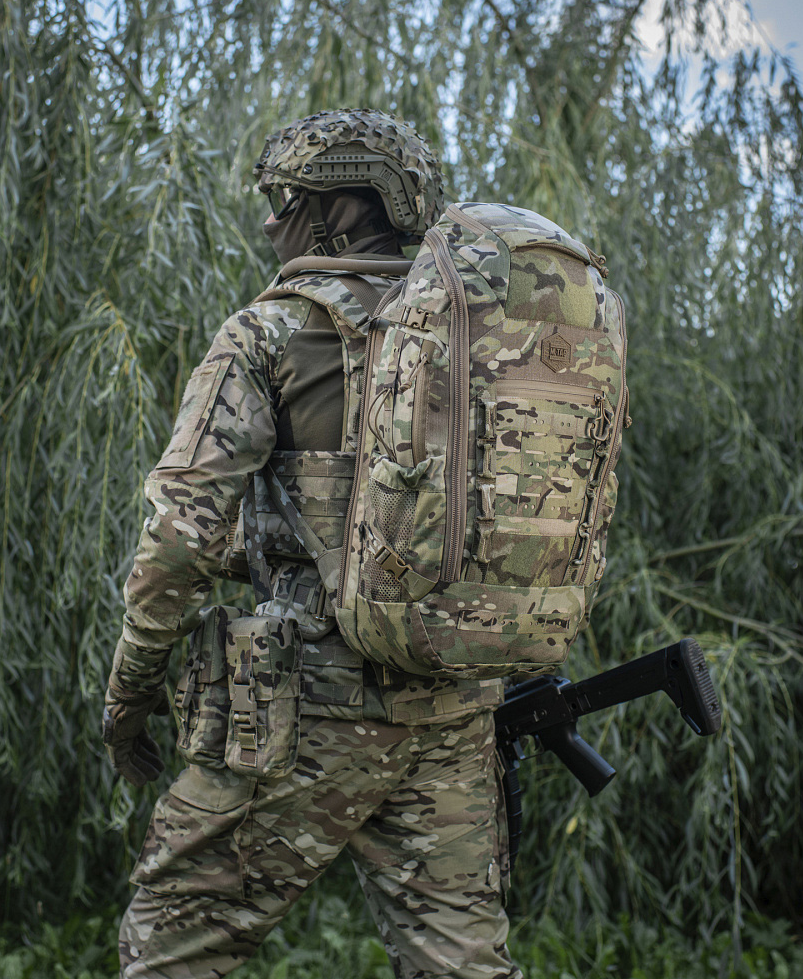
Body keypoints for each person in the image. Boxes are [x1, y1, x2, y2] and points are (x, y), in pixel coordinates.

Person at [102, 108, 521, 979]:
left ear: (340, 210)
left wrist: (130, 691)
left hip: (304, 709)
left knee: (172, 945)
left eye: (284, 199)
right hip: (452, 709)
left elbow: (179, 538)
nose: (268, 222)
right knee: (461, 965)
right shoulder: (484, 338)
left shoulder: (270, 332)